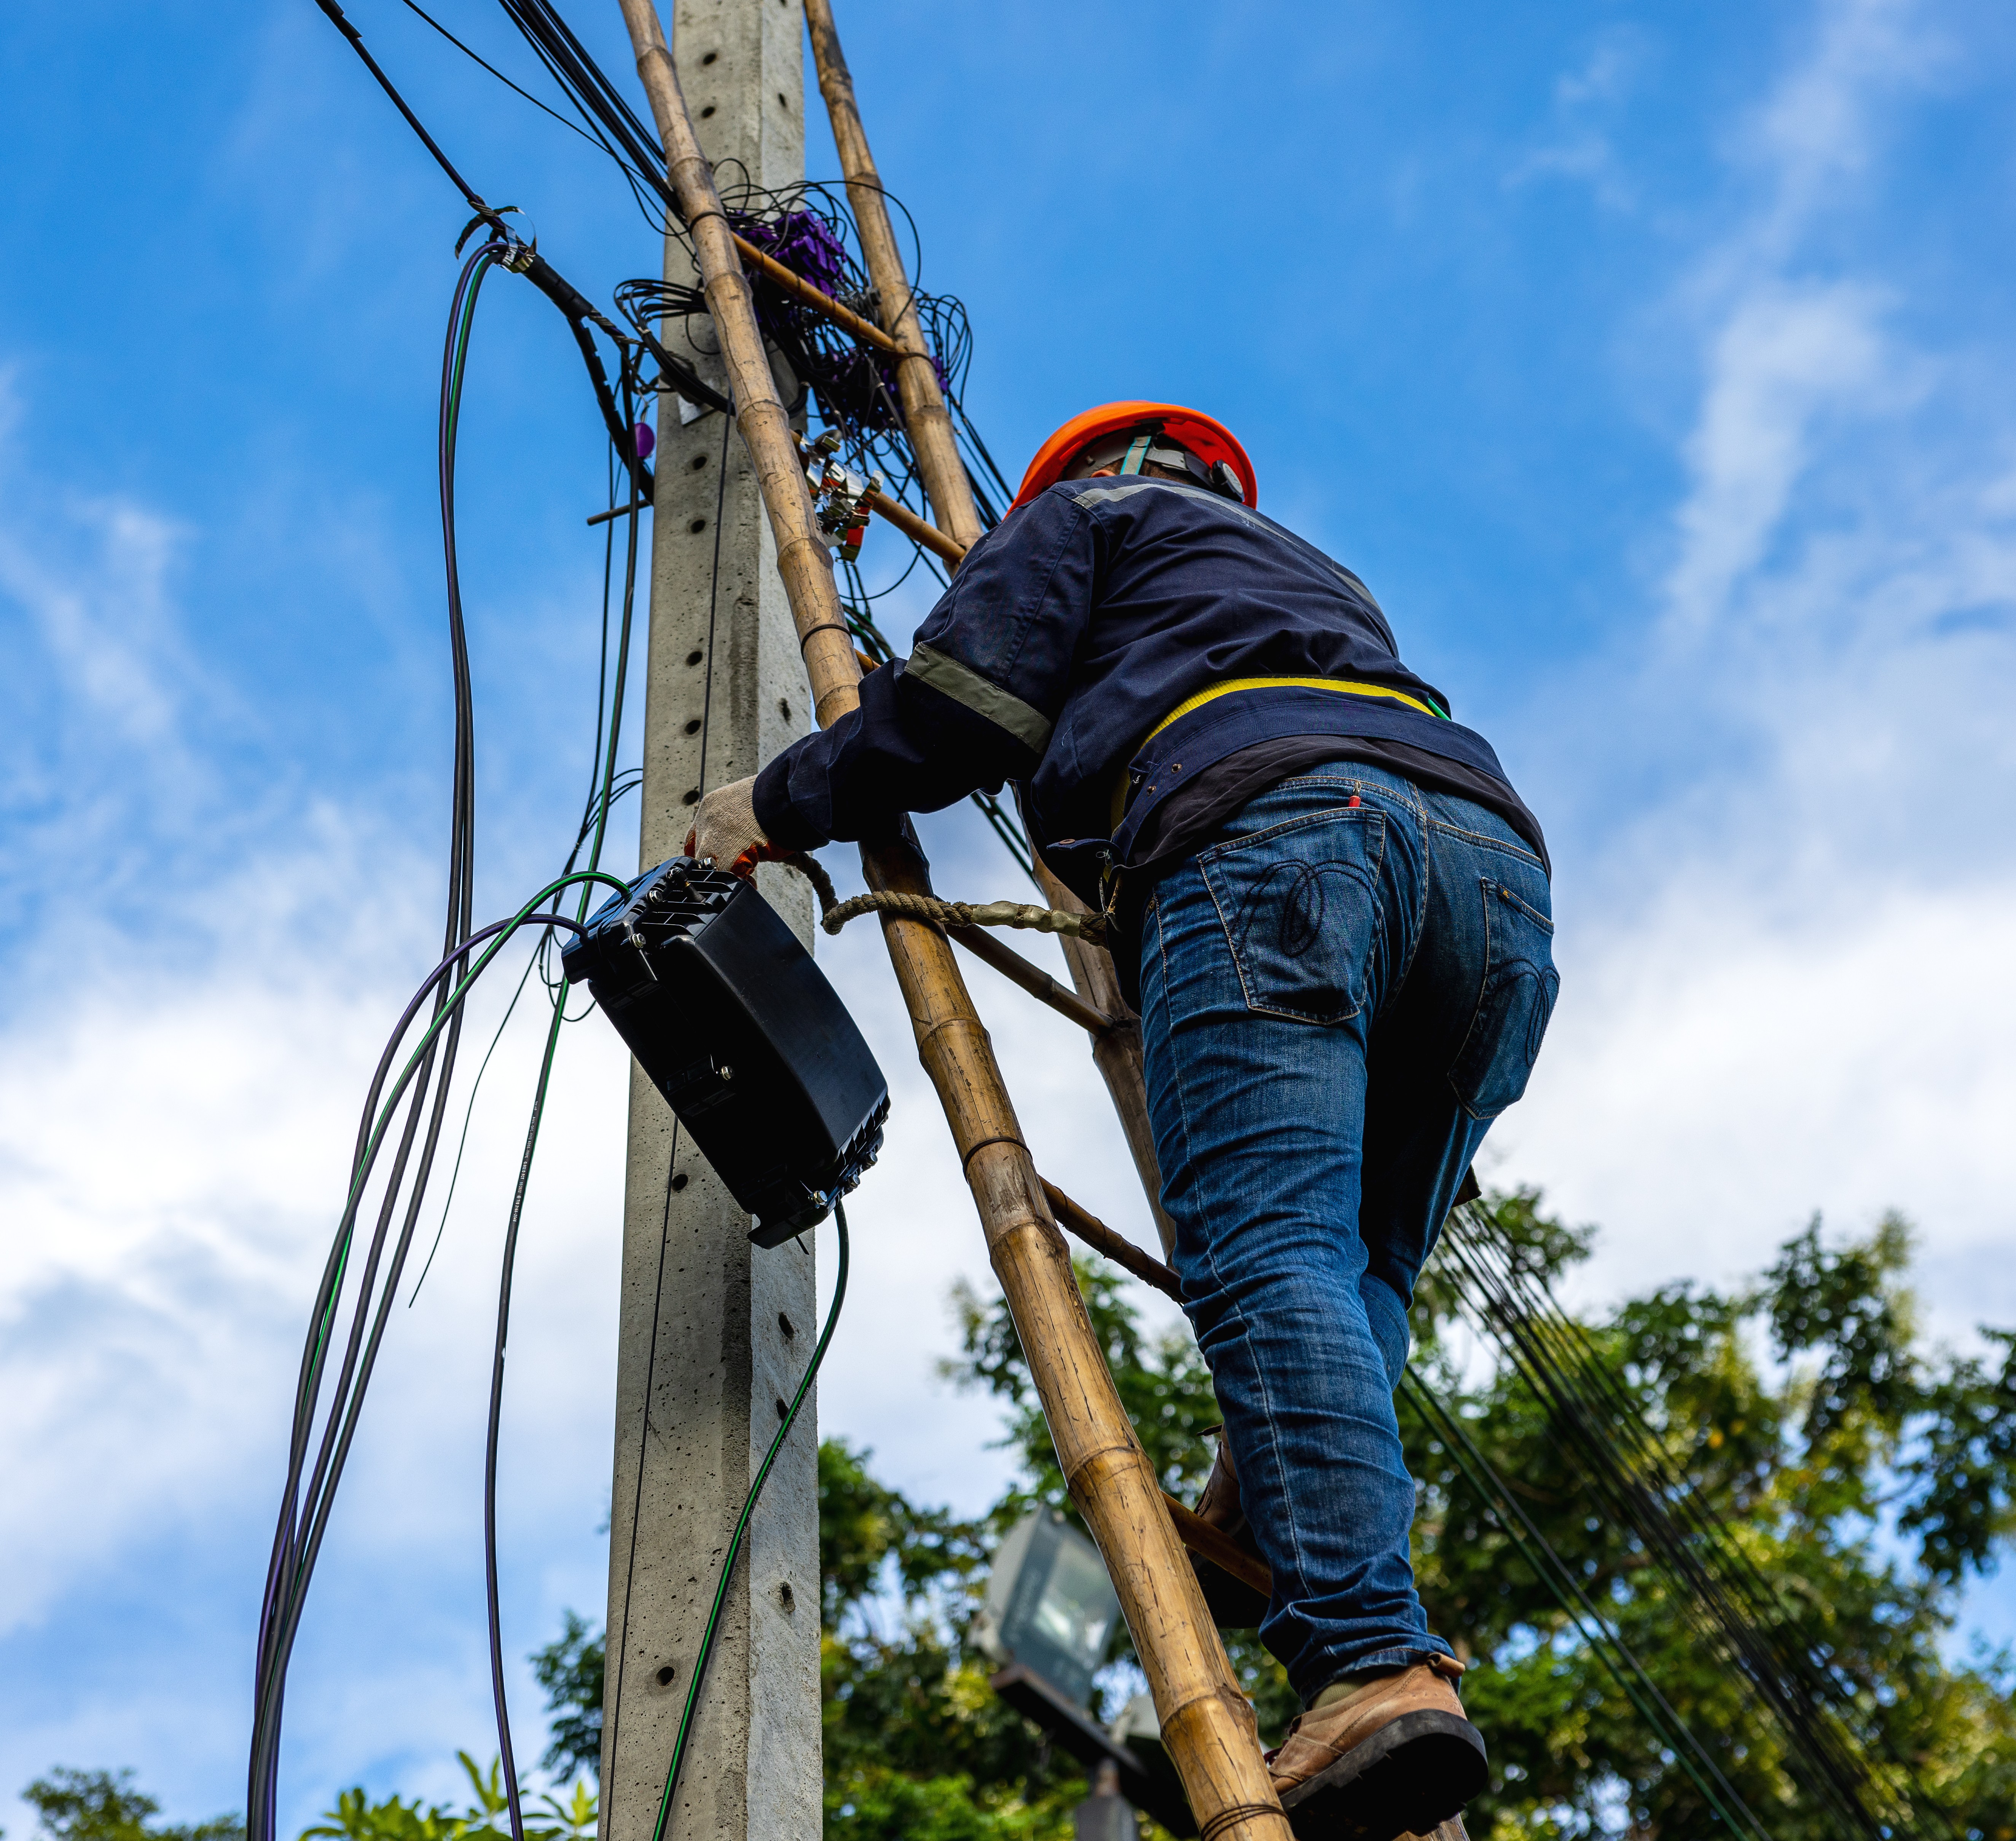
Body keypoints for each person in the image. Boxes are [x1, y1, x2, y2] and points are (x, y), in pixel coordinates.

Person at [688, 402, 1559, 1841]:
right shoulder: (1314, 576)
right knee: (1354, 1274)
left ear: (1085, 473)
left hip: (1273, 837)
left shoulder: (1086, 517)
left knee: (1267, 1250)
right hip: (1494, 881)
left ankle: (1367, 1659)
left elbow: (964, 713)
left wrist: (777, 800)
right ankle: (1273, 1495)